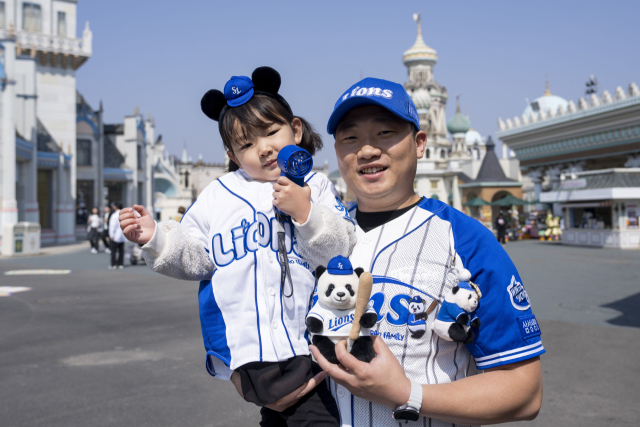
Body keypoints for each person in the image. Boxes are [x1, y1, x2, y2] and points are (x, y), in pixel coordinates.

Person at [273, 77, 543, 426]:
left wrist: (407, 394)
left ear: (419, 143)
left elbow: (525, 392)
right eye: (351, 138)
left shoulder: (465, 238)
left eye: (385, 133)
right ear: (338, 151)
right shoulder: (310, 234)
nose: (367, 150)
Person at [119, 67, 356, 427]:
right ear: (231, 152)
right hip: (249, 353)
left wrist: (305, 212)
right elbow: (196, 257)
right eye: (246, 144)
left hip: (308, 344)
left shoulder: (314, 184)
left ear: (294, 128)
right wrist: (155, 237)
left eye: (271, 132)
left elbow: (341, 246)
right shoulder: (218, 195)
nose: (263, 148)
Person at [109, 202, 125, 269]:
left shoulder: (114, 215)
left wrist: (111, 235)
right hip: (122, 235)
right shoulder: (124, 215)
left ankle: (113, 264)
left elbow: (112, 226)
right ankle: (120, 264)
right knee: (121, 251)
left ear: (116, 207)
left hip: (115, 236)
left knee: (113, 251)